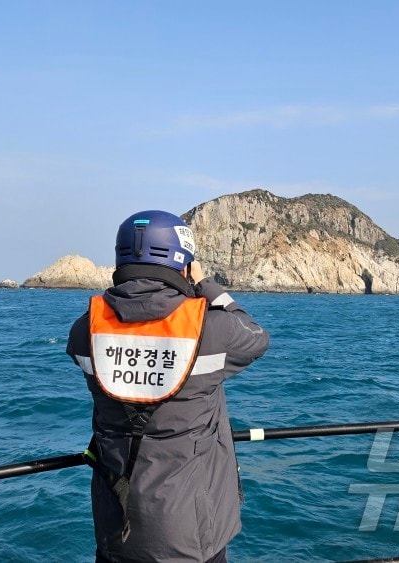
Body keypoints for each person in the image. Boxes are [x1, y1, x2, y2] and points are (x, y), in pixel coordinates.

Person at [66, 210, 269, 563]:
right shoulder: (213, 329)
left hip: (117, 532)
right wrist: (206, 286)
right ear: (183, 263)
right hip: (192, 537)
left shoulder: (85, 332)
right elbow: (256, 337)